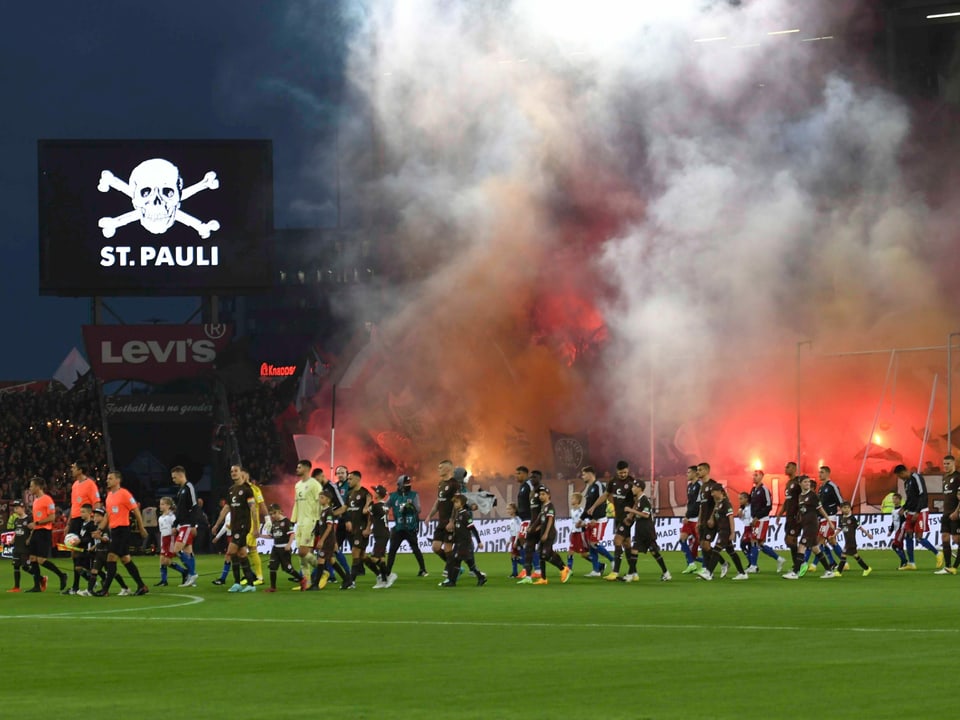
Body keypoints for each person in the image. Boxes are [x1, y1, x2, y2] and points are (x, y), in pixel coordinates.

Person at [94, 470, 149, 596]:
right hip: (115, 531)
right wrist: (100, 530)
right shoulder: (109, 496)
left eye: (110, 478)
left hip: (123, 530)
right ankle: (141, 586)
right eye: (107, 478)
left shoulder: (124, 494)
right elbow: (108, 515)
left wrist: (141, 527)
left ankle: (105, 590)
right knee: (125, 559)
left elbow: (136, 511)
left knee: (111, 557)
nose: (107, 480)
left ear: (118, 480)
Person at [25, 476, 68, 593]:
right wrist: (31, 535)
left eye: (32, 486)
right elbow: (35, 521)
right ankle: (37, 586)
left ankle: (61, 575)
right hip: (36, 532)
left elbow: (52, 517)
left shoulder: (47, 499)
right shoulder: (35, 501)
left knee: (41, 560)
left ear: (38, 487)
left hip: (44, 532)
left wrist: (37, 523)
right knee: (32, 558)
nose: (30, 488)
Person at [622, 479, 671, 581]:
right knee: (639, 551)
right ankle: (665, 573)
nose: (632, 489)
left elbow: (646, 514)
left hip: (646, 529)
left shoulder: (644, 500)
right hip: (641, 528)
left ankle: (631, 575)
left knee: (644, 551)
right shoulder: (639, 500)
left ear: (639, 488)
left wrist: (631, 510)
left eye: (634, 487)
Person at [788, 476, 836, 580]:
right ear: (800, 483)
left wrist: (829, 521)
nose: (807, 484)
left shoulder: (812, 495)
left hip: (812, 525)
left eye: (808, 482)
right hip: (805, 525)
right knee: (815, 549)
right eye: (805, 482)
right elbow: (802, 511)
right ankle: (829, 570)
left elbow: (821, 509)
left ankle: (795, 572)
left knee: (801, 546)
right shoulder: (800, 496)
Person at [698, 484, 747, 581]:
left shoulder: (726, 503)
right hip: (721, 530)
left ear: (720, 491)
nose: (712, 494)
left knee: (716, 550)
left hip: (725, 531)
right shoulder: (718, 503)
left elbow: (731, 518)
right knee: (731, 552)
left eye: (713, 492)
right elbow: (715, 513)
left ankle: (708, 572)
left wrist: (732, 532)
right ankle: (742, 573)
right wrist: (711, 519)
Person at [221, 464, 258, 592]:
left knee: (231, 551)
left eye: (236, 471)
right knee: (241, 553)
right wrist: (216, 524)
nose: (233, 473)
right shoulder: (231, 489)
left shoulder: (247, 489)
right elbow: (227, 508)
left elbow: (253, 508)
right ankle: (249, 584)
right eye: (231, 471)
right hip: (235, 526)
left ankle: (239, 582)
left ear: (241, 473)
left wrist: (256, 527)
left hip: (243, 526)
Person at [895, 464, 939, 569]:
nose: (900, 478)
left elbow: (923, 494)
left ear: (903, 472)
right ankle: (911, 563)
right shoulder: (906, 483)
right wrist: (904, 508)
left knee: (918, 538)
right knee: (908, 535)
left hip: (921, 511)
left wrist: (918, 512)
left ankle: (938, 554)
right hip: (910, 512)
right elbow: (910, 499)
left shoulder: (916, 477)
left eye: (899, 476)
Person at [439, 494, 487, 587]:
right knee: (467, 563)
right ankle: (480, 577)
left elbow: (473, 529)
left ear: (462, 503)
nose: (455, 504)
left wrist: (479, 542)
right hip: (459, 543)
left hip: (464, 543)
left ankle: (452, 581)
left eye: (457, 502)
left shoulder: (465, 515)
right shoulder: (459, 514)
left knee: (455, 560)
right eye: (454, 502)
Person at [81, 507, 131, 597]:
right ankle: (89, 590)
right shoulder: (97, 527)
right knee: (94, 571)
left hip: (106, 553)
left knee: (112, 573)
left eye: (97, 516)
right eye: (94, 516)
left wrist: (99, 537)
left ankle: (125, 588)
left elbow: (106, 540)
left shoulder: (106, 528)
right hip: (99, 553)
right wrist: (93, 547)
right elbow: (99, 542)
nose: (95, 518)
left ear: (103, 517)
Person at [67, 461, 100, 592]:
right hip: (74, 521)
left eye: (73, 468)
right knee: (74, 553)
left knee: (82, 553)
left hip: (84, 521)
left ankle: (87, 581)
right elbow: (74, 505)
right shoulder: (75, 485)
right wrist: (68, 523)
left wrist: (95, 521)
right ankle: (77, 585)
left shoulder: (90, 484)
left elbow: (96, 503)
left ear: (80, 470)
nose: (71, 470)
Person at [386, 474, 428, 577]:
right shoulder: (393, 496)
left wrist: (410, 506)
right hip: (398, 527)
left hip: (410, 527)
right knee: (392, 550)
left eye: (409, 483)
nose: (408, 485)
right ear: (400, 485)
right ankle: (387, 572)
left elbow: (418, 509)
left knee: (415, 549)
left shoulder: (414, 495)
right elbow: (385, 507)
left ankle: (423, 569)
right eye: (406, 483)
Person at [314, 467, 352, 580]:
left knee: (331, 550)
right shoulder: (322, 487)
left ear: (321, 475)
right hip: (327, 521)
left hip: (335, 522)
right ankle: (335, 575)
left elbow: (343, 505)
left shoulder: (332, 487)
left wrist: (346, 519)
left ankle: (346, 574)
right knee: (332, 550)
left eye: (317, 479)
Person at [529, 486, 570, 586]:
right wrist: (532, 528)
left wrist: (546, 533)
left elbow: (550, 521)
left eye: (543, 494)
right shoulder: (543, 507)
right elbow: (540, 520)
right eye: (540, 494)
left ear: (549, 495)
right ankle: (543, 578)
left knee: (545, 555)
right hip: (543, 533)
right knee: (542, 556)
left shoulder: (550, 506)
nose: (541, 496)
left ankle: (563, 568)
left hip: (549, 534)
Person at [694, 462, 728, 580]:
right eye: (697, 470)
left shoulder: (713, 485)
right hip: (703, 520)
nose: (698, 472)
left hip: (711, 520)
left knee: (707, 545)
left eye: (700, 470)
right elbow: (701, 506)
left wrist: (712, 517)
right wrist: (698, 521)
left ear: (707, 471)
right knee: (704, 546)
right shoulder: (702, 487)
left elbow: (719, 502)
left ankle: (714, 568)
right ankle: (711, 569)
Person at [291, 459, 322, 586]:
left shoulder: (315, 485)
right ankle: (307, 581)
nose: (297, 469)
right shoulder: (297, 485)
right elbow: (296, 504)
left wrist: (319, 521)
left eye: (299, 467)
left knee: (303, 552)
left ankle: (322, 568)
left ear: (306, 468)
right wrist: (293, 520)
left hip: (311, 521)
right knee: (302, 555)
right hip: (300, 522)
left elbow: (320, 503)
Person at [748, 469, 785, 573]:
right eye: (753, 475)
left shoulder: (764, 489)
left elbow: (769, 506)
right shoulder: (753, 490)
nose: (754, 477)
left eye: (756, 475)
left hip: (762, 519)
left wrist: (757, 517)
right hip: (756, 519)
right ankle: (779, 559)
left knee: (754, 541)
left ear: (761, 476)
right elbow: (751, 504)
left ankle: (754, 566)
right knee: (760, 544)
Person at [580, 466, 614, 577]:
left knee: (594, 543)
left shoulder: (599, 485)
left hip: (599, 520)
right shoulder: (590, 488)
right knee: (591, 545)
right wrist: (581, 518)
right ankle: (596, 570)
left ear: (590, 474)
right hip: (591, 520)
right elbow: (587, 507)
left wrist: (596, 517)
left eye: (584, 474)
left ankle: (612, 560)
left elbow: (602, 502)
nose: (582, 476)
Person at [171, 465, 201, 587]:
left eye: (174, 477)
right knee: (188, 551)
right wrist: (175, 524)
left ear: (180, 475)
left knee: (177, 550)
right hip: (182, 524)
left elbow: (195, 506)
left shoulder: (189, 487)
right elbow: (180, 510)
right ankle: (191, 579)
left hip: (188, 525)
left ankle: (192, 573)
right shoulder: (181, 490)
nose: (173, 480)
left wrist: (194, 525)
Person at [263, 503, 302, 592]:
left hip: (284, 548)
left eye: (274, 513)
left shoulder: (286, 521)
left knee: (287, 568)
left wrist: (289, 544)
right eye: (271, 514)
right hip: (276, 548)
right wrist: (260, 535)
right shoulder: (274, 523)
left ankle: (302, 579)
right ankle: (273, 587)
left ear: (279, 511)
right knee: (272, 567)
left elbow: (292, 534)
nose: (273, 515)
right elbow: (271, 536)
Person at [427, 460, 459, 567]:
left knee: (448, 548)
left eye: (440, 467)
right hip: (441, 521)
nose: (438, 469)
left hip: (449, 521)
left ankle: (452, 571)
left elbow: (456, 503)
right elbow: (438, 501)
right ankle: (454, 566)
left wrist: (452, 521)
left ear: (448, 469)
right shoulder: (441, 483)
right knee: (435, 547)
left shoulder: (454, 484)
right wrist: (429, 515)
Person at [343, 470, 372, 589]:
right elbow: (345, 508)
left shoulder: (366, 493)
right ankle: (382, 574)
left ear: (358, 479)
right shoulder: (349, 494)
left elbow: (370, 513)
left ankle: (351, 581)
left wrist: (368, 528)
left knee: (355, 552)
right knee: (362, 556)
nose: (348, 481)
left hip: (361, 529)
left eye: (350, 479)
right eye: (348, 479)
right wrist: (332, 512)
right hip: (353, 529)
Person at [777, 462, 804, 579]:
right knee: (789, 541)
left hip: (795, 516)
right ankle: (798, 563)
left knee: (791, 540)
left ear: (794, 468)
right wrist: (780, 513)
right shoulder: (788, 483)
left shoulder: (798, 482)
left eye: (787, 467)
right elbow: (787, 500)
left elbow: (803, 497)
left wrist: (800, 512)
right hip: (789, 516)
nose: (785, 468)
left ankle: (798, 566)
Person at [367, 485, 395, 589]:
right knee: (381, 558)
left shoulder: (375, 506)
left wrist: (368, 502)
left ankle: (388, 574)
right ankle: (384, 580)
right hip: (384, 533)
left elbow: (365, 511)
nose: (373, 493)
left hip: (380, 534)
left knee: (374, 558)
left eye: (375, 492)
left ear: (377, 494)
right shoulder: (385, 506)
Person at [243, 469, 268, 585]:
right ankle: (249, 575)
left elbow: (262, 505)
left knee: (250, 549)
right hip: (241, 524)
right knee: (241, 550)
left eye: (243, 475)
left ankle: (259, 577)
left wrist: (267, 519)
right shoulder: (238, 489)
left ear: (248, 476)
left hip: (252, 524)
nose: (241, 477)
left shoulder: (254, 489)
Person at [156, 496, 188, 587]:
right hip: (164, 539)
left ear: (168, 506)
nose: (160, 506)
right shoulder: (160, 517)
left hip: (171, 539)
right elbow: (161, 531)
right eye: (160, 504)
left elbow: (177, 527)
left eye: (163, 504)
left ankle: (184, 571)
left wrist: (177, 534)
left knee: (167, 561)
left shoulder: (171, 516)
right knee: (162, 560)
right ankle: (163, 580)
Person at [835, 501, 872, 577]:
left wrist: (867, 534)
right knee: (855, 556)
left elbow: (859, 527)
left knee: (843, 554)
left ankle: (839, 572)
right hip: (847, 540)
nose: (847, 509)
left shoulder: (852, 518)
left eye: (848, 507)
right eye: (845, 508)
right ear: (841, 509)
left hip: (851, 541)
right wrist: (834, 535)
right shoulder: (842, 518)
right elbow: (839, 528)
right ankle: (867, 568)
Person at [938, 454, 960, 575]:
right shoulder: (945, 477)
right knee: (944, 538)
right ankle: (948, 566)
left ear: (954, 463)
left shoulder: (958, 477)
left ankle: (955, 566)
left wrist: (957, 511)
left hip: (955, 513)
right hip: (946, 513)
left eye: (948, 463)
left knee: (957, 539)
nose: (945, 466)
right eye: (944, 463)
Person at [679, 465, 702, 574]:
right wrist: (687, 515)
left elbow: (698, 504)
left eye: (689, 472)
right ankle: (691, 564)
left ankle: (720, 562)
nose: (687, 474)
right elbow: (690, 503)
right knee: (682, 539)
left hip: (697, 518)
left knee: (702, 544)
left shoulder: (699, 485)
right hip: (689, 518)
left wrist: (688, 516)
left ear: (694, 473)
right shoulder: (689, 486)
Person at [7, 500, 29, 592]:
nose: (15, 510)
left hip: (25, 547)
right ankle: (16, 587)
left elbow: (33, 531)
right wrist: (12, 540)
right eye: (15, 508)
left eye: (17, 508)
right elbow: (16, 532)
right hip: (17, 546)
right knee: (16, 566)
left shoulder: (29, 519)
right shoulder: (16, 520)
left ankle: (41, 579)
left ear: (23, 508)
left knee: (25, 567)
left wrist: (29, 539)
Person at [887, 493, 908, 568]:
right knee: (900, 547)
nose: (894, 500)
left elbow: (905, 521)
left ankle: (905, 560)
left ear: (900, 500)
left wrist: (903, 530)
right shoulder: (893, 510)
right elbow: (893, 521)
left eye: (896, 499)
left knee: (894, 545)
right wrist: (891, 530)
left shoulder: (902, 510)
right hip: (897, 530)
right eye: (893, 499)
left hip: (901, 530)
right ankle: (903, 564)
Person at [506, 502, 522, 578]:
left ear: (514, 510)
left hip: (517, 539)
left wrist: (515, 541)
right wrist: (509, 541)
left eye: (509, 509)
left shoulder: (517, 519)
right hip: (513, 539)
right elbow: (512, 532)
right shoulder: (512, 519)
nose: (508, 511)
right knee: (513, 556)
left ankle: (528, 564)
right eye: (507, 509)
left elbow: (519, 531)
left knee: (515, 556)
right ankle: (515, 573)